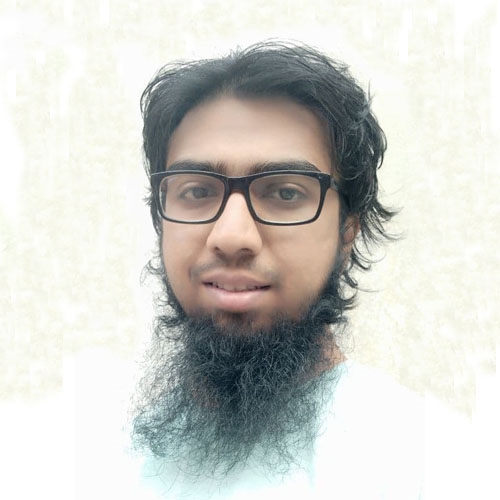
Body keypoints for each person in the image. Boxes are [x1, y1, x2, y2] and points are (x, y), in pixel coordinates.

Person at [130, 40, 426, 499]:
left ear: (348, 230)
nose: (231, 236)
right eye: (197, 191)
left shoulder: (421, 465)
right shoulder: (102, 461)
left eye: (285, 193)